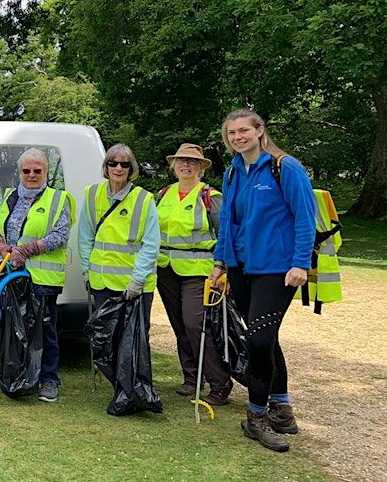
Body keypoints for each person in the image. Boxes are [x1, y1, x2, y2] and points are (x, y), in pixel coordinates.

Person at [210, 109, 315, 452]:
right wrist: (220, 262)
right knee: (263, 337)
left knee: (257, 340)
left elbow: (304, 218)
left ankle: (256, 418)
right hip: (241, 268)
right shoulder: (232, 172)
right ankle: (282, 408)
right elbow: (228, 221)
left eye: (243, 131)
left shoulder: (284, 167)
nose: (237, 137)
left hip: (277, 269)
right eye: (231, 133)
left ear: (259, 131)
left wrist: (300, 263)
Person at [0, 148, 74, 402]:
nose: (31, 175)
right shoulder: (10, 197)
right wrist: (2, 246)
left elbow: (60, 236)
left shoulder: (59, 199)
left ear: (46, 172)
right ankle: (20, 376)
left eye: (37, 170)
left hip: (42, 280)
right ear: (20, 172)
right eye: (26, 171)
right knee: (15, 329)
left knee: (45, 331)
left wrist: (27, 250)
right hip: (13, 276)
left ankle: (49, 380)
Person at [155, 143, 231, 405]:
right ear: (174, 166)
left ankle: (219, 383)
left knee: (195, 325)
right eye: (181, 161)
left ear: (201, 167)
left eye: (192, 162)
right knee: (179, 326)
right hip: (166, 269)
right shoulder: (163, 194)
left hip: (199, 271)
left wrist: (221, 268)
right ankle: (192, 378)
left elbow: (225, 234)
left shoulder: (210, 196)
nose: (186, 165)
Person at [78, 143, 160, 367]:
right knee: (107, 335)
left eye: (124, 164)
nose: (118, 168)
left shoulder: (144, 199)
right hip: (101, 281)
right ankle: (119, 386)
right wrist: (87, 270)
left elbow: (151, 245)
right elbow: (85, 237)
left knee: (135, 337)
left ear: (131, 168)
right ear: (106, 166)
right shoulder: (93, 194)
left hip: (132, 285)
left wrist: (137, 280)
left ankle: (137, 385)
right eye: (113, 163)